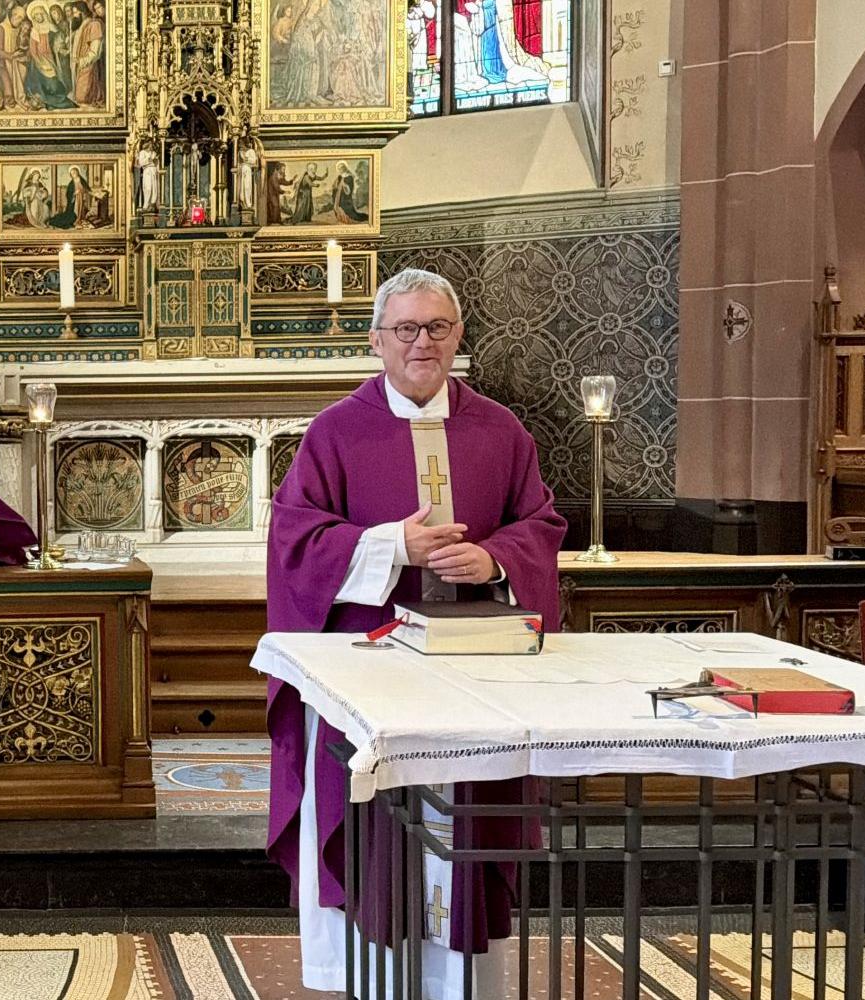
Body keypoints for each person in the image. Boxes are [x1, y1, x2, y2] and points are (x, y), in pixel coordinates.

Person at [265, 268, 565, 998]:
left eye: (436, 327)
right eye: (406, 329)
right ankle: (373, 978)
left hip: (475, 670)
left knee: (465, 826)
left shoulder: (502, 430)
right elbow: (294, 541)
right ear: (377, 340)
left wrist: (494, 556)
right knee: (377, 831)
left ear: (459, 335)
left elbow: (543, 525)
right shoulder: (337, 430)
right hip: (370, 671)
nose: (421, 342)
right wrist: (392, 545)